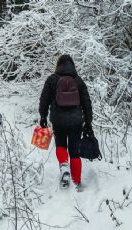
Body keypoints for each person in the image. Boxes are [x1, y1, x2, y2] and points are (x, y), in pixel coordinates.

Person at [39, 55, 93, 192]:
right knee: (74, 153)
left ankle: (64, 166)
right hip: (76, 121)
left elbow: (44, 99)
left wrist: (43, 116)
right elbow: (87, 103)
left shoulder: (52, 79)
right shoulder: (78, 81)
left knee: (61, 145)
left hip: (58, 120)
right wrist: (88, 122)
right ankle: (77, 182)